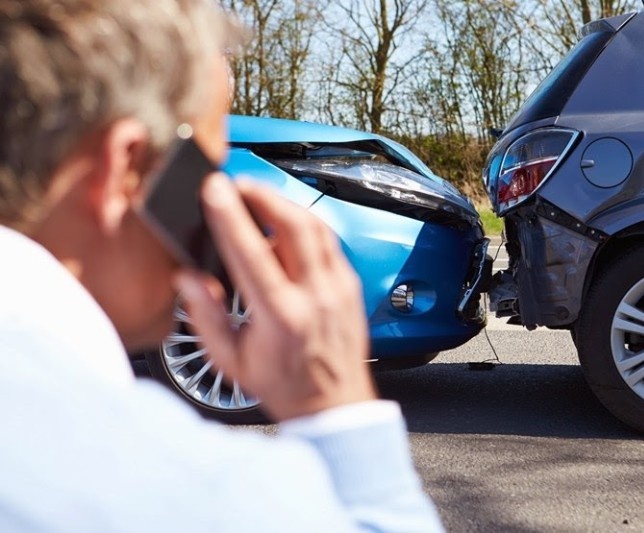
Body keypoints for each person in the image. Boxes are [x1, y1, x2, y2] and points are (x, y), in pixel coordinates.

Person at [0, 0, 443, 531]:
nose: (213, 210)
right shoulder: (172, 486)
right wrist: (335, 403)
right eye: (203, 173)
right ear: (126, 169)